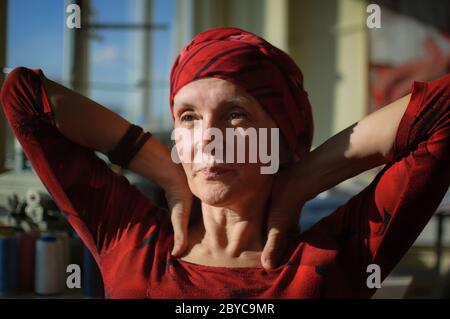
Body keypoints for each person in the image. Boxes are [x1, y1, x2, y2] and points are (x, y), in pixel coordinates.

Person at [1, 27, 449, 298]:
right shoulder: (130, 237)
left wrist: (298, 184)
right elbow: (22, 97)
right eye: (188, 118)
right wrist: (167, 173)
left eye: (235, 115)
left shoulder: (331, 256)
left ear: (282, 136)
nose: (208, 139)